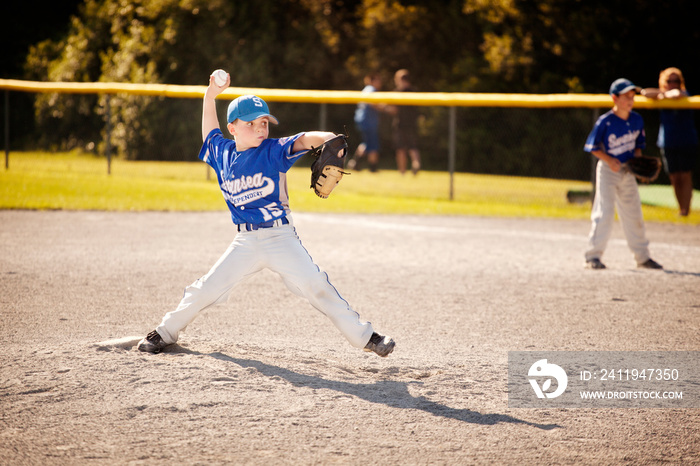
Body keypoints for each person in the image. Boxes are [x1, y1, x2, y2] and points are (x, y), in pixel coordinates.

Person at [137, 71, 395, 357]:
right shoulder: (222, 153)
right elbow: (209, 130)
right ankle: (164, 332)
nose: (261, 128)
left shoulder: (274, 150)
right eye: (252, 123)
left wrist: (331, 139)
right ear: (232, 128)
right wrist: (210, 96)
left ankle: (366, 336)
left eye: (264, 122)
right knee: (205, 289)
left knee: (315, 284)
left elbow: (306, 139)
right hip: (245, 242)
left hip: (280, 237)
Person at [583, 78, 663, 270]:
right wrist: (609, 160)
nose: (630, 99)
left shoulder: (637, 119)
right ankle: (593, 256)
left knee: (634, 212)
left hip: (627, 171)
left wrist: (637, 162)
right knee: (605, 212)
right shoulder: (605, 121)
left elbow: (638, 146)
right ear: (615, 98)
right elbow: (592, 147)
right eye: (626, 96)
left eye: (632, 95)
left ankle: (642, 257)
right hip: (608, 171)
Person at [641, 67, 698, 216]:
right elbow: (644, 92)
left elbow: (677, 94)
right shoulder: (662, 96)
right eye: (669, 81)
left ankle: (686, 209)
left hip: (686, 141)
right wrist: (663, 93)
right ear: (664, 82)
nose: (673, 83)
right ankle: (681, 209)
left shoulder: (685, 95)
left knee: (685, 175)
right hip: (668, 142)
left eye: (676, 81)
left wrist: (665, 94)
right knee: (674, 177)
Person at [347, 73, 383, 172]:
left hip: (362, 120)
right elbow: (373, 103)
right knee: (373, 144)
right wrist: (385, 107)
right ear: (372, 81)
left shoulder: (365, 89)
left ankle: (354, 163)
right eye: (378, 80)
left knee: (366, 143)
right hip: (369, 121)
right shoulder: (372, 89)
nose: (380, 83)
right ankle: (373, 168)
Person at [389, 69, 421, 175]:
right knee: (413, 146)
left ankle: (402, 171)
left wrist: (382, 108)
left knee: (400, 149)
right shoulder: (414, 91)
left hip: (400, 124)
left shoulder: (398, 92)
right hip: (412, 123)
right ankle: (416, 163)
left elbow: (394, 110)